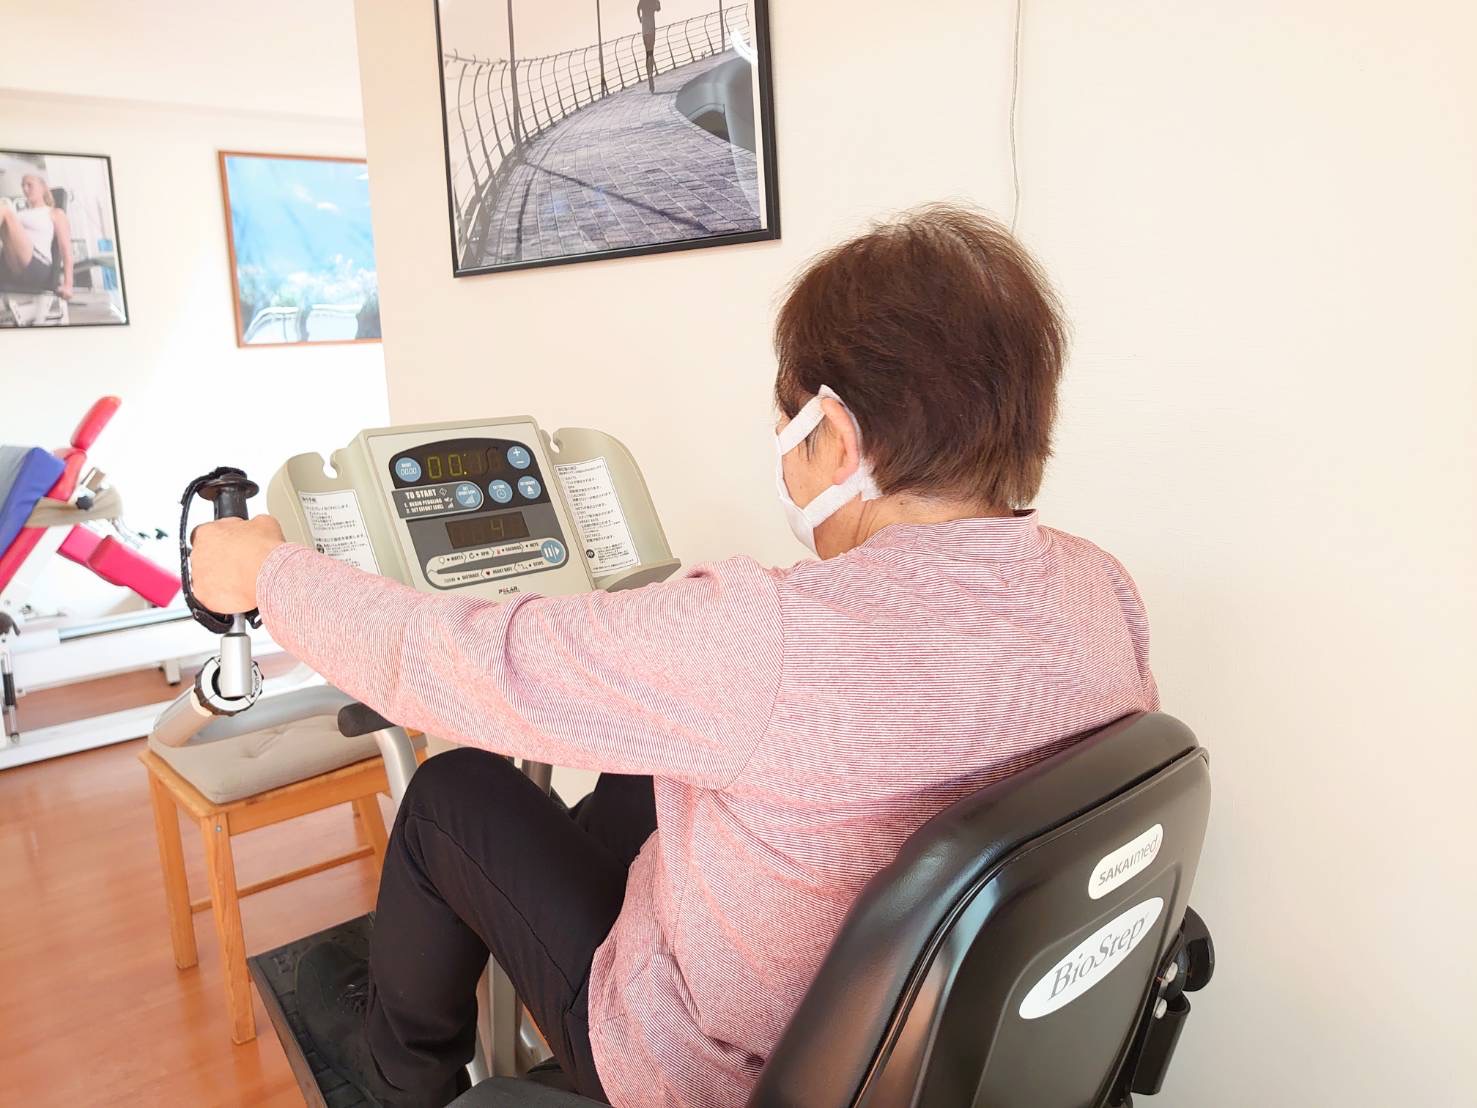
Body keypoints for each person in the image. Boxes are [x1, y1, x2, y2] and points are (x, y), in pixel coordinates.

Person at [188, 205, 1159, 1108]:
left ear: (837, 437)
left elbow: (448, 658)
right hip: (924, 1053)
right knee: (643, 768)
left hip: (712, 1073)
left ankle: (393, 1085)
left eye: (791, 431)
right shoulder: (1097, 588)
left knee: (452, 793)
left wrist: (267, 572)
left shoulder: (762, 636)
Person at [0, 174, 72, 299]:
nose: (25, 189)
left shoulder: (54, 213)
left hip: (38, 266)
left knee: (4, 210)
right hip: (12, 267)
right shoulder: (19, 214)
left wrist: (68, 285)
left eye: (29, 185)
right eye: (23, 186)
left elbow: (66, 249)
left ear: (42, 187)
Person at [637, 0, 661, 92]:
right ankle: (651, 74)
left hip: (644, 29)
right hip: (651, 28)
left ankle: (649, 75)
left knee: (647, 53)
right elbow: (658, 8)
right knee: (651, 53)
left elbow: (637, 8)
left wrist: (640, 18)